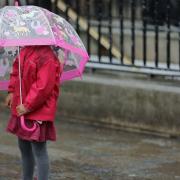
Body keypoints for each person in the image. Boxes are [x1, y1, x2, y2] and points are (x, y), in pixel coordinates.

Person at [5, 46, 62, 180]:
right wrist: (12, 91)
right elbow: (16, 73)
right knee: (23, 146)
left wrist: (28, 106)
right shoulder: (24, 51)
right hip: (22, 107)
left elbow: (43, 87)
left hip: (37, 110)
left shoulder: (47, 57)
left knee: (39, 149)